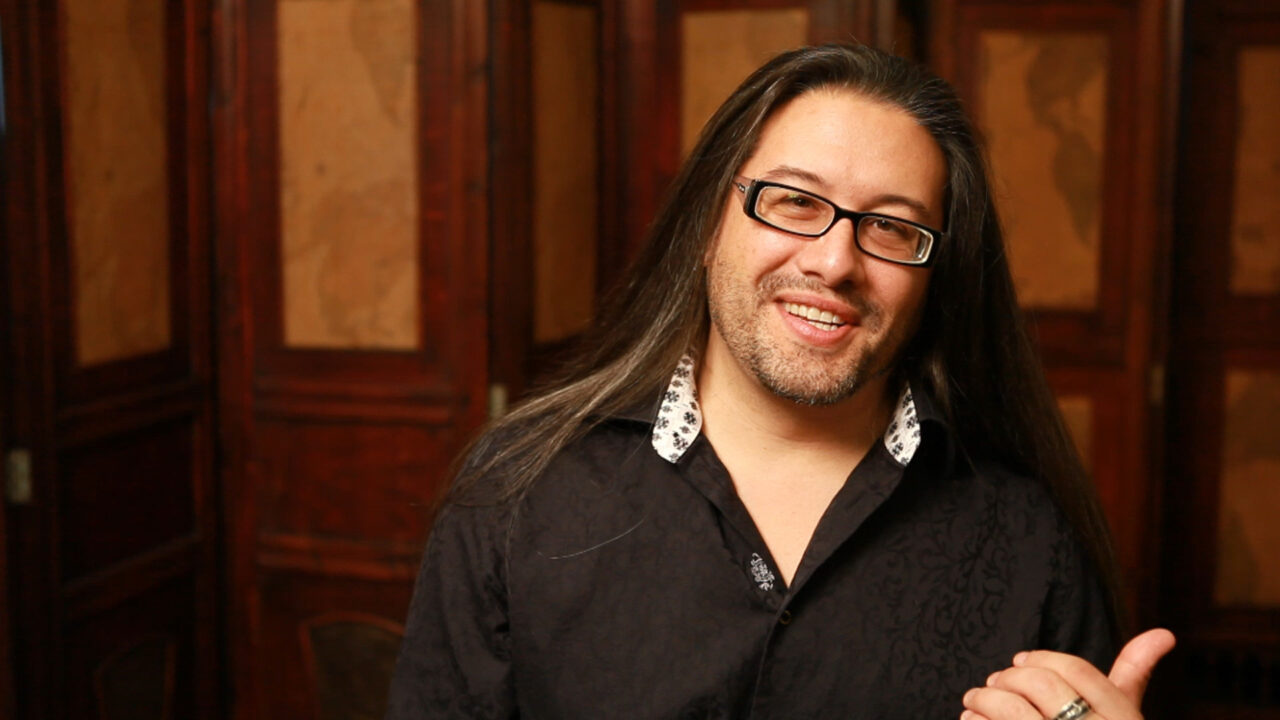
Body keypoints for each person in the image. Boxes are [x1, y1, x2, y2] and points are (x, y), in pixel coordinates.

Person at [387, 43, 1174, 719]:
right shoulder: (518, 493)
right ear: (706, 225)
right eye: (794, 202)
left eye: (891, 226)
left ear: (935, 274)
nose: (834, 262)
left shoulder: (1030, 539)